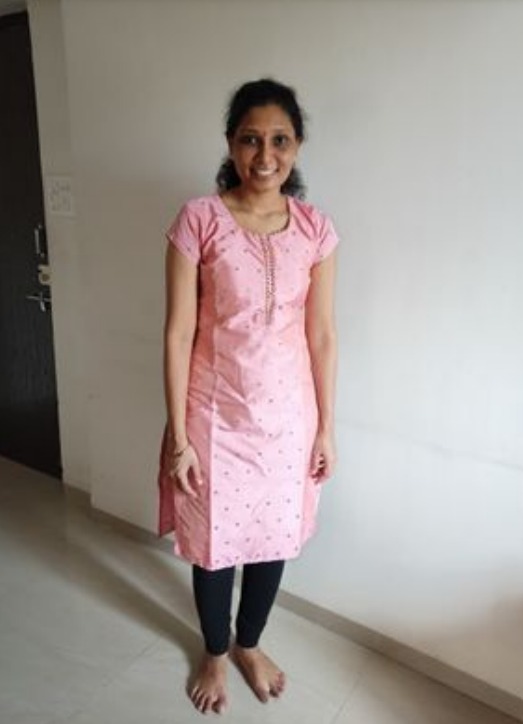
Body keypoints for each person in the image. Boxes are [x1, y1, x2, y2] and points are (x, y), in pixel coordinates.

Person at [158, 78, 338, 715]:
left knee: (273, 538)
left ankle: (250, 644)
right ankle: (214, 651)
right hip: (214, 416)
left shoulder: (315, 230)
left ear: (298, 145)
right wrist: (180, 436)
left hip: (290, 419)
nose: (265, 155)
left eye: (280, 140)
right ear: (231, 144)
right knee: (214, 543)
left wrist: (325, 427)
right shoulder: (198, 220)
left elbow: (321, 334)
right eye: (250, 139)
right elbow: (178, 333)